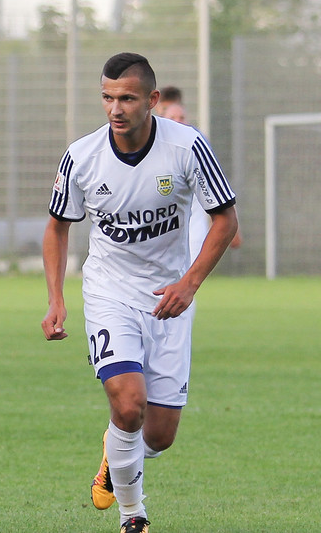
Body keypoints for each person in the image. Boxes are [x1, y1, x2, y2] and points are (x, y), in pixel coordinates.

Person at [41, 53, 238, 533]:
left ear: (151, 100)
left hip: (170, 300)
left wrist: (189, 284)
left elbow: (226, 221)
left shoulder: (187, 146)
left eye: (127, 98)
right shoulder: (82, 156)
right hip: (109, 293)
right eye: (108, 97)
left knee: (159, 434)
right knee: (128, 404)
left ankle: (115, 455)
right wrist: (56, 298)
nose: (115, 108)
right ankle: (134, 516)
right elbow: (57, 227)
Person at [156, 101, 242, 251]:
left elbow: (217, 190)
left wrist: (234, 228)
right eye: (172, 117)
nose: (177, 121)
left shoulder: (196, 148)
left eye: (181, 117)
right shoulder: (153, 151)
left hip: (194, 230)